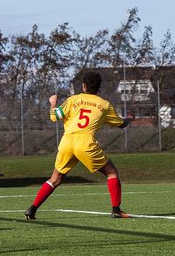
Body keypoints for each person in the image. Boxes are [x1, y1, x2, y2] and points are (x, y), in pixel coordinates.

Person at [25, 71, 132, 220]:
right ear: (98, 87)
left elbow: (54, 117)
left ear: (84, 86)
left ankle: (32, 209)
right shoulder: (104, 105)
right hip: (86, 143)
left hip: (67, 142)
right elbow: (121, 125)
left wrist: (53, 104)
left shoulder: (72, 100)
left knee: (55, 179)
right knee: (111, 173)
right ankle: (116, 210)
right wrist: (128, 119)